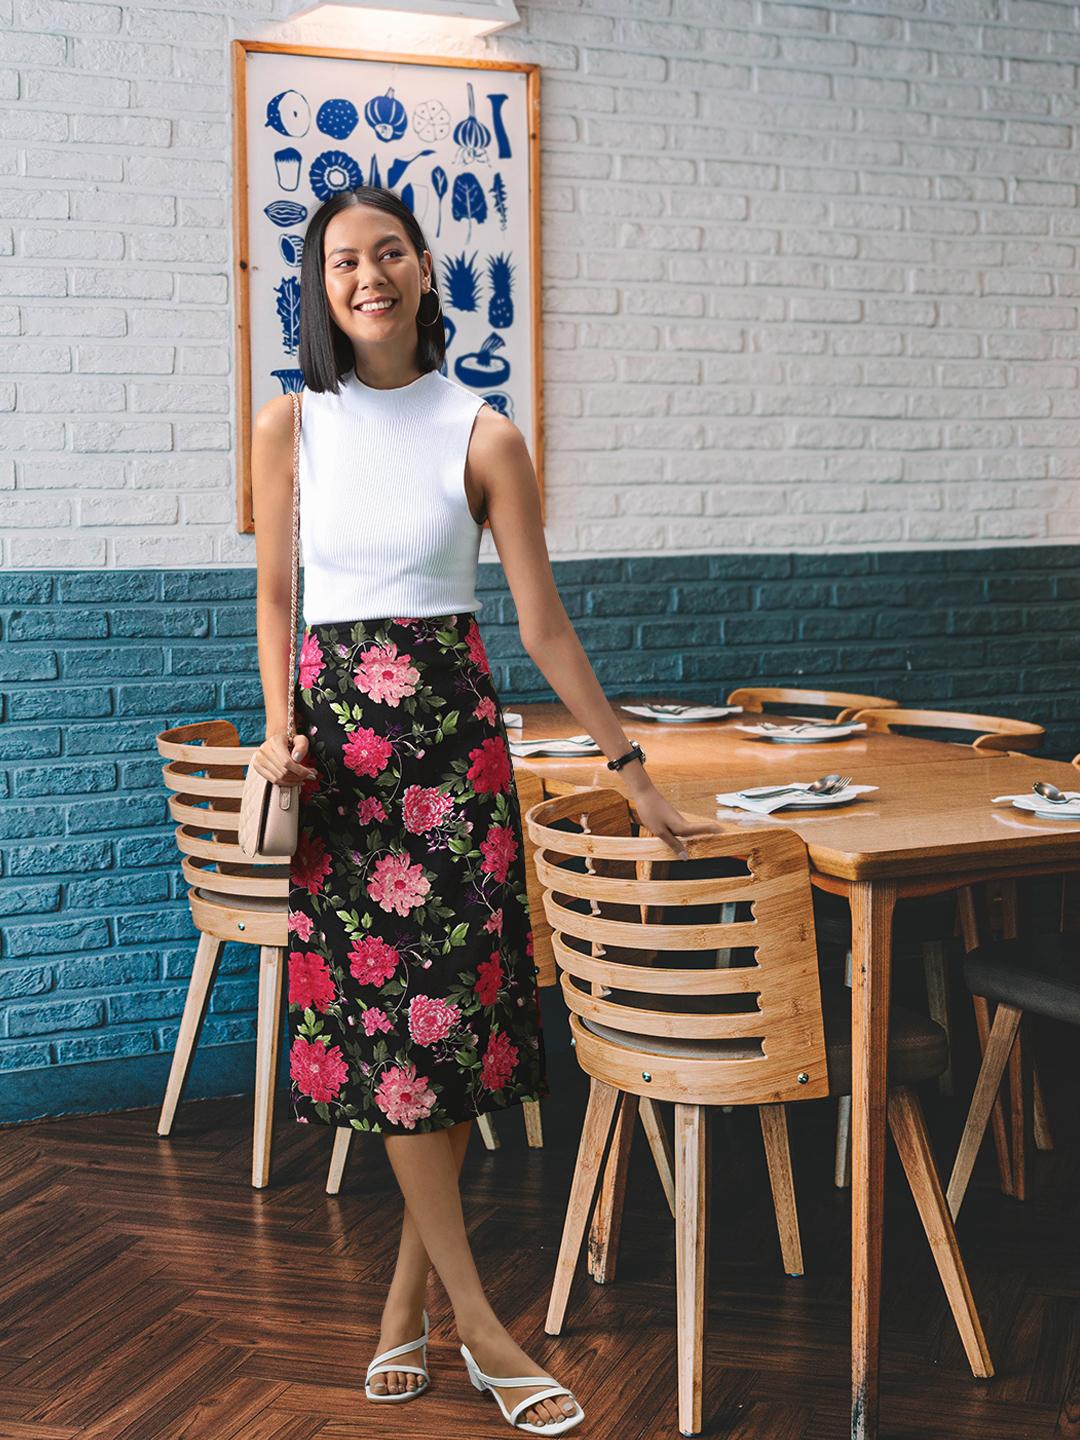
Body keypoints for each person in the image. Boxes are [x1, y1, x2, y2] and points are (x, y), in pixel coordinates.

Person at [249, 184, 722, 1435]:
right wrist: (281, 731)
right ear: (320, 284)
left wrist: (633, 774)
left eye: (389, 252)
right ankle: (484, 1325)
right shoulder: (287, 425)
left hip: (456, 762)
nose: (369, 276)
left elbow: (543, 626)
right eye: (344, 260)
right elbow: (275, 609)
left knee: (447, 1032)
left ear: (421, 269)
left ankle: (410, 1301)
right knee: (397, 1047)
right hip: (343, 772)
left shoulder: (485, 432)